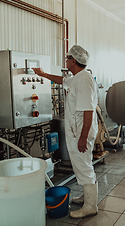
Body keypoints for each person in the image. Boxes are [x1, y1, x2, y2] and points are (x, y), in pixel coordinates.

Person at [33, 45, 98, 218]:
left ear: (74, 60)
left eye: (67, 58)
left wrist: (83, 137)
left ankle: (90, 206)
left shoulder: (84, 80)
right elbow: (62, 80)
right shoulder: (77, 77)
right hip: (77, 130)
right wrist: (43, 74)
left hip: (80, 132)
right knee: (83, 164)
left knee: (83, 166)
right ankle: (87, 197)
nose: (66, 61)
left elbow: (88, 111)